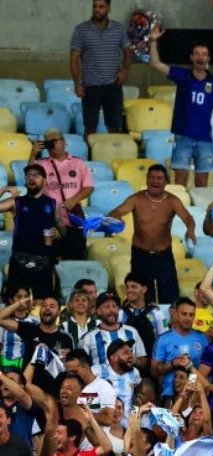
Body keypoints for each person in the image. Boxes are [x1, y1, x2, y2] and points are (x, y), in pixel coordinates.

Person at [145, 27, 213, 188]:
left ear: (208, 58)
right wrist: (153, 40)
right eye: (197, 54)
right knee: (180, 180)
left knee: (203, 182)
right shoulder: (182, 76)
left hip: (205, 139)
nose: (200, 57)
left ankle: (201, 213)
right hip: (183, 137)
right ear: (191, 57)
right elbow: (155, 63)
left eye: (204, 54)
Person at [105, 165, 197, 304]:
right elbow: (115, 212)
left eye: (159, 178)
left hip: (163, 256)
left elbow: (188, 218)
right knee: (142, 299)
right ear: (147, 180)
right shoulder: (136, 199)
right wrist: (116, 218)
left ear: (165, 182)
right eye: (152, 178)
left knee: (170, 297)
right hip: (140, 255)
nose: (155, 181)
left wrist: (190, 229)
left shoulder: (172, 201)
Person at [27, 128, 92, 260]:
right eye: (48, 143)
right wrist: (33, 155)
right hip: (50, 220)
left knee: (75, 257)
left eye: (54, 141)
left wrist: (74, 200)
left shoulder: (78, 163)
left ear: (63, 142)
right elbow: (30, 180)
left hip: (73, 219)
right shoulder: (42, 164)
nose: (51, 145)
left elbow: (89, 187)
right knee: (51, 259)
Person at [0, 167, 63, 300]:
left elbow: (63, 232)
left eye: (36, 175)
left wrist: (58, 233)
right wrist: (4, 189)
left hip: (44, 265)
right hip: (19, 263)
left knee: (42, 306)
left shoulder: (52, 204)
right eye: (28, 175)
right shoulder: (16, 202)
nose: (31, 178)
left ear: (45, 180)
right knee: (16, 305)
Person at [70, 0, 128, 135]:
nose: (97, 10)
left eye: (101, 7)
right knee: (89, 128)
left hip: (113, 86)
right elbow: (73, 60)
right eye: (94, 6)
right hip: (90, 87)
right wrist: (77, 83)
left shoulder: (119, 29)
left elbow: (128, 53)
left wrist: (125, 71)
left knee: (114, 127)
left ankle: (113, 155)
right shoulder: (81, 30)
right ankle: (89, 155)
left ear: (109, 9)